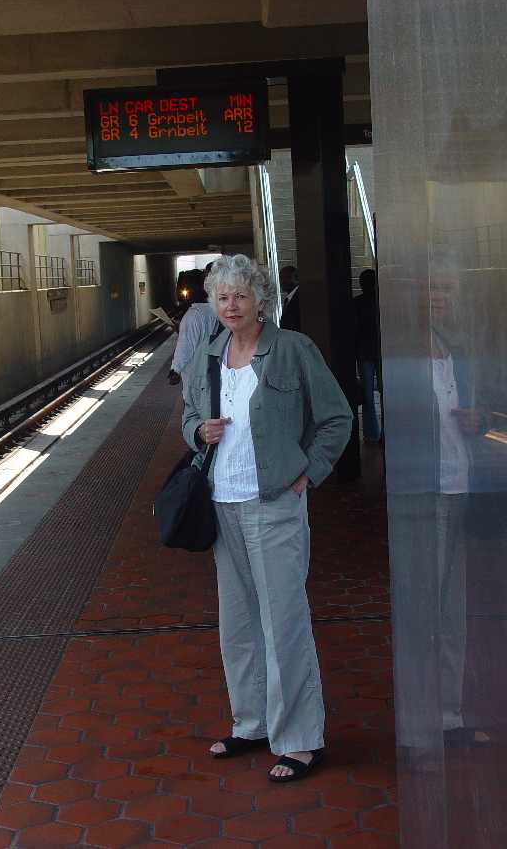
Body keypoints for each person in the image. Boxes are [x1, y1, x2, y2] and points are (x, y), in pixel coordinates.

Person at [182, 254, 353, 782]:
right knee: (237, 624)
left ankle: (300, 739)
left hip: (274, 503)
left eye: (241, 295)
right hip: (221, 503)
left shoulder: (293, 350)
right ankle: (251, 722)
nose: (231, 306)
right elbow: (189, 415)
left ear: (262, 300)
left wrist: (309, 473)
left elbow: (336, 417)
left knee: (284, 622)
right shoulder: (208, 356)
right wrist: (197, 433)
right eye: (222, 297)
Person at [168, 263, 219, 391]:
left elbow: (185, 347)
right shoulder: (216, 309)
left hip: (196, 381)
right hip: (214, 373)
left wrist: (175, 370)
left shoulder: (192, 316)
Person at [354, 268, 381, 442]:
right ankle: (387, 433)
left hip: (364, 354)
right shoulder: (382, 302)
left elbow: (354, 331)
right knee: (387, 393)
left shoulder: (356, 303)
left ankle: (371, 434)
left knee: (368, 397)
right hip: (381, 351)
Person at [278, 264, 300, 331]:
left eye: (287, 277)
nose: (282, 281)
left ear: (296, 278)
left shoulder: (299, 298)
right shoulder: (288, 299)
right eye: (281, 278)